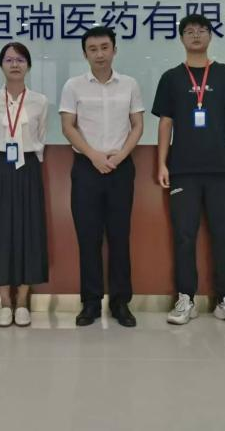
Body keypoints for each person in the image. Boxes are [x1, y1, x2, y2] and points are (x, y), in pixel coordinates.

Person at [152, 14, 225, 327]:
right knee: (184, 236)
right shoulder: (171, 78)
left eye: (202, 30)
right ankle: (186, 298)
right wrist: (161, 163)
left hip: (221, 170)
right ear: (182, 38)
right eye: (189, 31)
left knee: (223, 235)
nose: (196, 35)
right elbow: (165, 122)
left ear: (210, 36)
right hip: (183, 171)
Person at [59, 26, 144, 327]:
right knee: (88, 238)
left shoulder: (129, 84)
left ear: (114, 50)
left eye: (104, 47)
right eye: (93, 49)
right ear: (85, 54)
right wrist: (93, 155)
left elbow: (137, 125)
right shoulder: (73, 86)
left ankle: (121, 303)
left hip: (121, 167)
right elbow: (68, 126)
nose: (99, 54)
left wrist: (119, 156)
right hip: (87, 168)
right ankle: (91, 303)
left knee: (120, 237)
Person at [0, 42, 49, 327]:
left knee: (29, 231)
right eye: (9, 60)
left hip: (28, 168)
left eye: (20, 60)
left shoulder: (40, 101)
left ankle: (23, 302)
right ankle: (5, 302)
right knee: (0, 232)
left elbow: (40, 136)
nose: (15, 64)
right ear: (1, 65)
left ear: (28, 65)